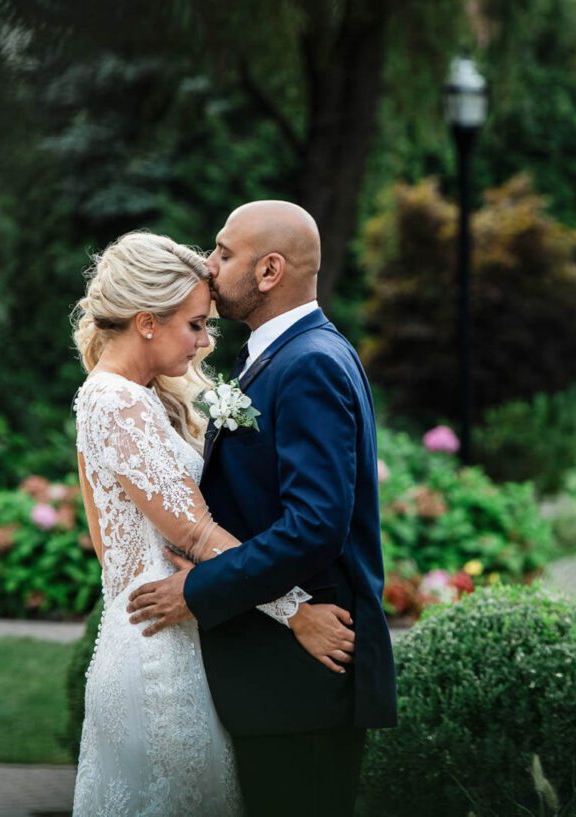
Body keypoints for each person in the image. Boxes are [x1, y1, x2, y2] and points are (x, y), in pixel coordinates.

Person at [70, 230, 357, 817]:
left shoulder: (133, 396)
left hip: (175, 633)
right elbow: (196, 534)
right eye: (195, 324)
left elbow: (111, 543)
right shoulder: (114, 402)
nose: (205, 343)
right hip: (157, 652)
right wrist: (297, 613)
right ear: (147, 322)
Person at [126, 201, 398, 817]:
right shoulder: (292, 354)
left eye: (224, 252)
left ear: (270, 271)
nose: (208, 263)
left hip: (302, 680)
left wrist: (198, 590)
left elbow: (315, 525)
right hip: (281, 678)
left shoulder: (309, 365)